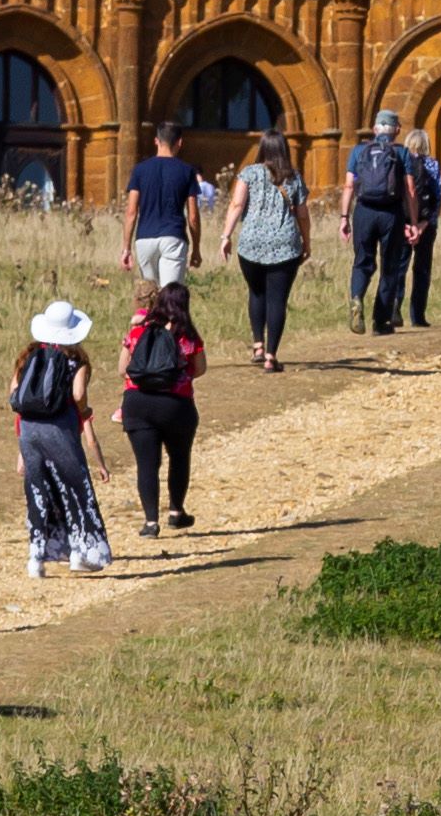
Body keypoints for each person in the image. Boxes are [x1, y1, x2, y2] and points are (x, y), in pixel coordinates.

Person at [11, 300, 111, 574]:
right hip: (60, 429)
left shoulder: (28, 356)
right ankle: (81, 553)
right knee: (74, 488)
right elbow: (78, 394)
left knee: (38, 489)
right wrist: (84, 411)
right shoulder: (76, 361)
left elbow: (14, 392)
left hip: (29, 429)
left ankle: (36, 558)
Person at [119, 270, 206, 537]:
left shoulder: (138, 331)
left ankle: (150, 522)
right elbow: (200, 369)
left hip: (138, 403)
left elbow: (123, 369)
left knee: (147, 464)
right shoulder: (188, 336)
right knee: (179, 457)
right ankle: (176, 512)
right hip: (176, 406)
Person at [227, 136, 312, 364]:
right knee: (277, 300)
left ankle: (258, 346)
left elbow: (236, 205)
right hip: (285, 245)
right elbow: (302, 214)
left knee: (256, 293)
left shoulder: (248, 173)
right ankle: (271, 356)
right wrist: (307, 241)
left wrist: (226, 236)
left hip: (251, 244)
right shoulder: (294, 177)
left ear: (262, 148)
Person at [342, 109, 415, 334]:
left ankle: (357, 298)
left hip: (363, 212)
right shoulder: (402, 153)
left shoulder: (358, 151)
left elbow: (349, 186)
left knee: (362, 261)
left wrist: (344, 217)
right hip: (391, 214)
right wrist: (413, 221)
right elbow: (410, 189)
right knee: (390, 266)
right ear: (397, 130)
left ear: (374, 129)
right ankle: (381, 321)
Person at [122, 121, 209, 291]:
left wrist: (126, 248)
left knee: (150, 295)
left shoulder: (139, 170)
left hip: (144, 239)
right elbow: (193, 216)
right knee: (170, 296)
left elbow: (131, 212)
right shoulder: (187, 171)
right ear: (180, 142)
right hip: (173, 237)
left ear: (156, 141)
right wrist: (196, 248)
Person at [403, 128, 441, 329]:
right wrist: (425, 223)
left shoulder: (400, 163)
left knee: (399, 266)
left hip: (403, 223)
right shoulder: (432, 165)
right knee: (422, 268)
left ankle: (393, 311)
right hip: (426, 223)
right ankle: (417, 316)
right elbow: (439, 196)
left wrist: (406, 223)